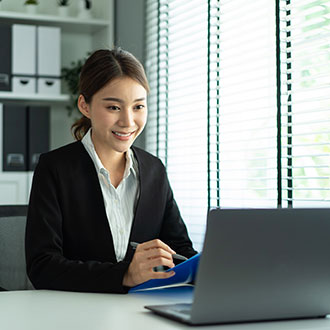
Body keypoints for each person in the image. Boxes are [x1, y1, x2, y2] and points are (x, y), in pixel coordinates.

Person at [25, 48, 197, 293]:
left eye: (138, 107)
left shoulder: (154, 170)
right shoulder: (55, 168)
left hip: (141, 312)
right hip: (74, 312)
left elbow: (180, 251)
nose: (128, 121)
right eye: (114, 107)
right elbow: (42, 266)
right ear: (85, 105)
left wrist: (212, 269)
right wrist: (126, 274)